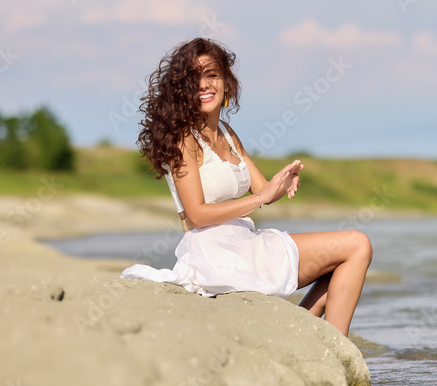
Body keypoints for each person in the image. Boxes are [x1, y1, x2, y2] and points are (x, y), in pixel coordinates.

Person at [121, 37, 372, 336]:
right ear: (182, 90)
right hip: (215, 252)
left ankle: (313, 334)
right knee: (356, 244)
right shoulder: (183, 139)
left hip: (247, 240)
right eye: (194, 78)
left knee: (351, 252)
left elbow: (264, 189)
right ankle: (336, 346)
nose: (204, 85)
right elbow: (198, 214)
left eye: (212, 74)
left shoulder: (227, 132)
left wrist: (283, 182)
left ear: (227, 82)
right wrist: (261, 198)